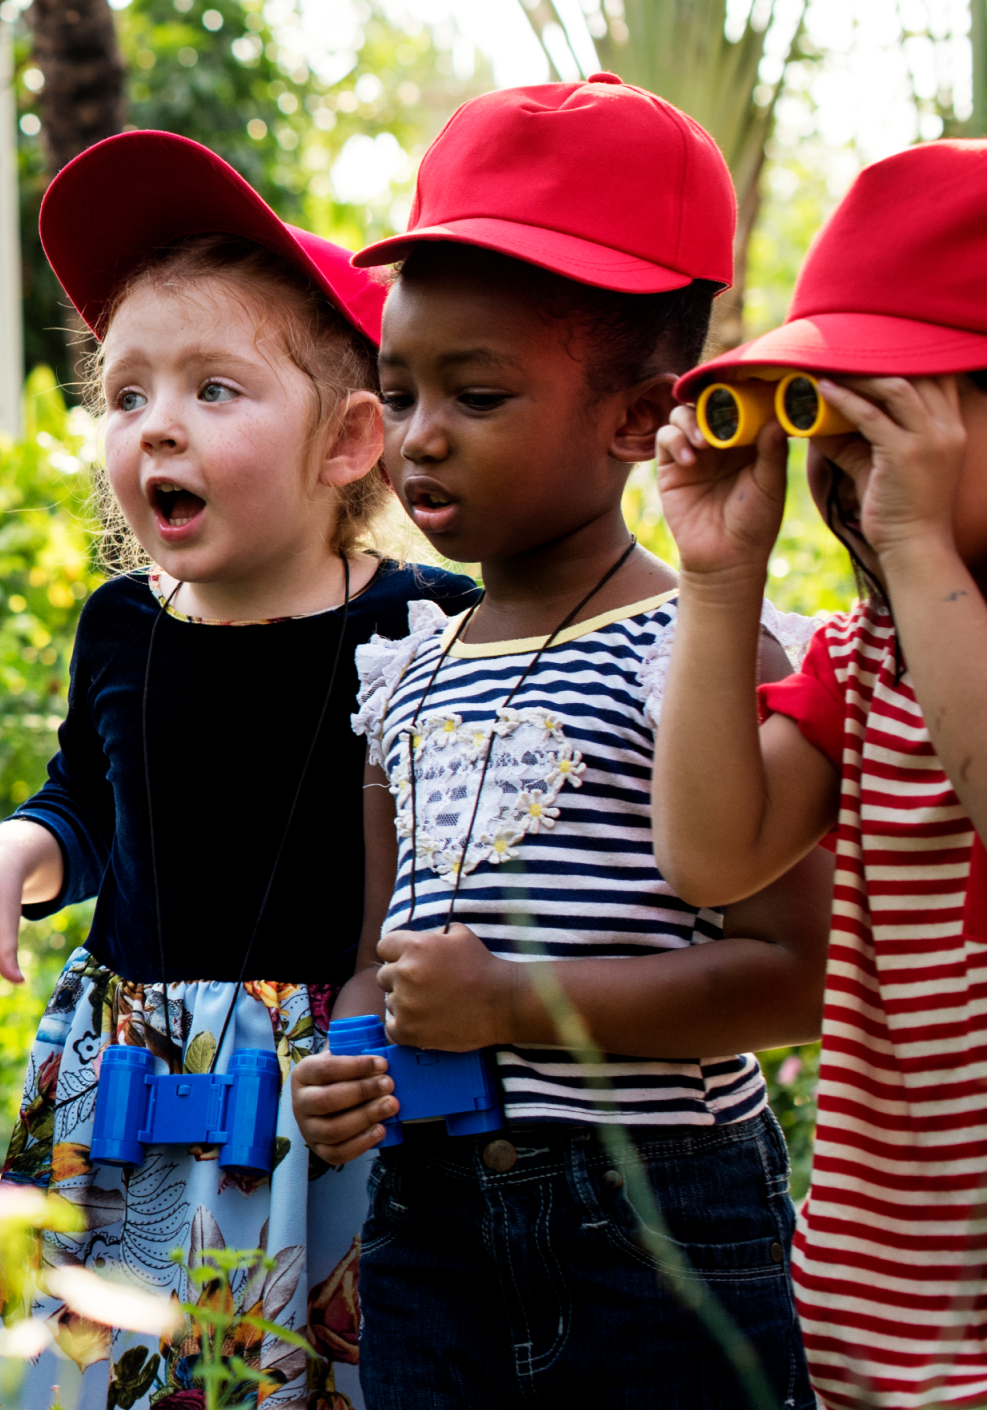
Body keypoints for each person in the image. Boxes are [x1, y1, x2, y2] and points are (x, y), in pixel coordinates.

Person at [0, 131, 471, 1407]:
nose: (157, 428)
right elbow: (88, 805)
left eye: (215, 390)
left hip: (331, 1088)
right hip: (125, 1079)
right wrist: (5, 857)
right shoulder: (125, 624)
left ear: (352, 441)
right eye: (128, 393)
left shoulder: (425, 624)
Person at [288, 75, 827, 1408]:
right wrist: (347, 1066)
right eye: (399, 387)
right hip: (428, 1226)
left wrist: (518, 1006)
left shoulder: (696, 652)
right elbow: (377, 953)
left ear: (639, 420)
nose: (417, 437)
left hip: (651, 1229)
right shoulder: (401, 673)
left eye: (474, 396)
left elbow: (787, 974)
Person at [650, 140, 987, 1407]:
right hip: (869, 1326)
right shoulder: (868, 662)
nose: (850, 477)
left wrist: (915, 532)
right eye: (831, 432)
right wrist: (720, 576)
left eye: (892, 420)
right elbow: (711, 855)